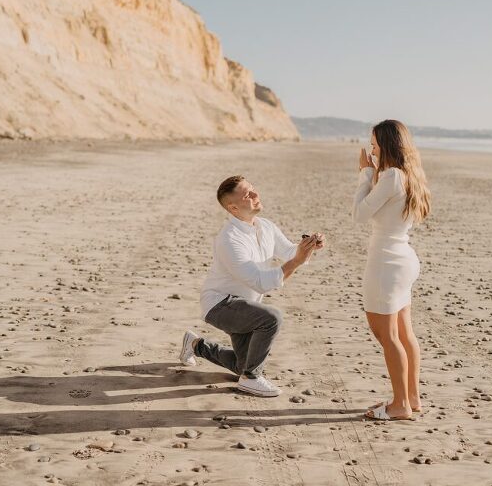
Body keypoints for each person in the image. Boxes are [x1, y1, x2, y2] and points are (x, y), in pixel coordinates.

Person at [179, 175, 325, 397]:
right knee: (272, 318)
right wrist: (296, 261)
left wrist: (308, 246)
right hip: (220, 304)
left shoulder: (265, 226)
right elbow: (259, 282)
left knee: (242, 364)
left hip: (245, 305)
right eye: (248, 195)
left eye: (253, 189)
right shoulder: (229, 238)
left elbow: (288, 251)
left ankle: (196, 345)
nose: (256, 195)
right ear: (233, 207)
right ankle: (251, 379)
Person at [352, 119, 431, 420]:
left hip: (386, 261)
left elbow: (360, 213)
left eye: (374, 145)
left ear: (387, 145)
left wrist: (365, 173)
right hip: (403, 259)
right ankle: (411, 397)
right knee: (403, 332)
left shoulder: (390, 177)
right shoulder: (410, 175)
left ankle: (400, 405)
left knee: (386, 334)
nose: (371, 151)